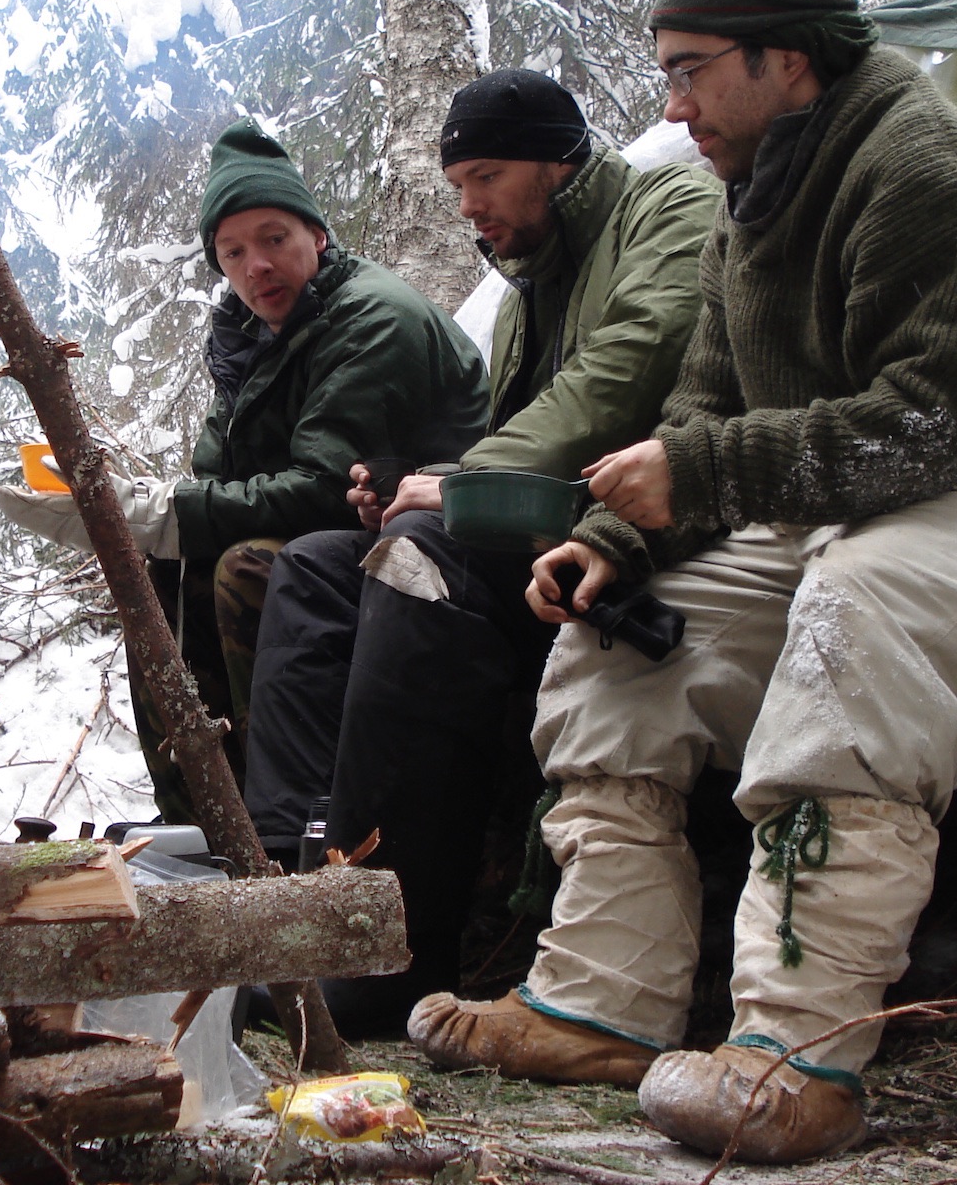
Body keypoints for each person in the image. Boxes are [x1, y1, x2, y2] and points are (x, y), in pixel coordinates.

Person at [406, 0, 957, 1163]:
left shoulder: (931, 168)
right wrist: (617, 542)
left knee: (856, 617)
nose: (674, 104)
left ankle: (797, 1055)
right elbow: (708, 403)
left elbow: (942, 424)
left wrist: (702, 472)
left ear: (789, 59)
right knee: (618, 650)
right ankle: (599, 1006)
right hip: (846, 497)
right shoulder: (749, 201)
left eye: (691, 70)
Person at [241, 70, 723, 1034]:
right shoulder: (532, 279)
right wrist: (416, 478)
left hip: (644, 532)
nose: (469, 205)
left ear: (557, 160)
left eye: (487, 177)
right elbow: (517, 432)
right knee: (315, 568)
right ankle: (287, 899)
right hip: (548, 521)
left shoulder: (668, 205)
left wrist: (462, 486)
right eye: (459, 183)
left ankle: (383, 958)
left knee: (417, 562)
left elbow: (631, 366)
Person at [0, 120, 489, 822]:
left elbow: (324, 487)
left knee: (246, 566)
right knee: (164, 572)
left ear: (317, 236)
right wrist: (149, 513)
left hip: (433, 543)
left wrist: (165, 513)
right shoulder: (253, 338)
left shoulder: (372, 319)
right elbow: (218, 471)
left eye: (274, 239)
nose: (256, 265)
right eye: (233, 252)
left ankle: (276, 817)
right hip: (348, 531)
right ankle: (200, 816)